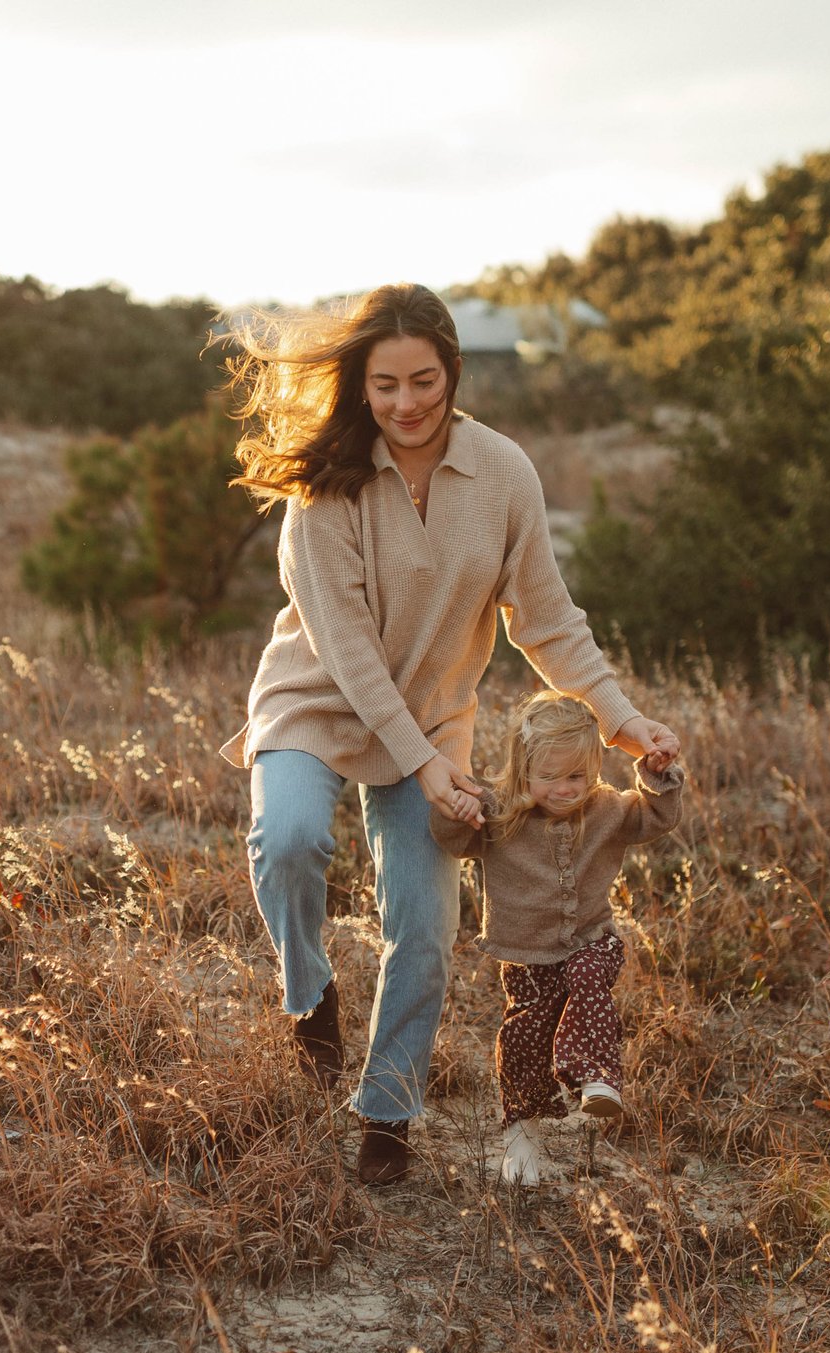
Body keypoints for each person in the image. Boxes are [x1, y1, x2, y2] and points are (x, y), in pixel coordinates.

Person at [220, 283, 680, 1185]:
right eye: (384, 385)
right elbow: (349, 655)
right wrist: (426, 767)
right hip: (315, 704)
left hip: (432, 720)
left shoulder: (503, 472)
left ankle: (387, 1113)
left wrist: (623, 722)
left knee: (427, 924)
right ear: (361, 388)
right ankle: (309, 993)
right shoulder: (324, 491)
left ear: (453, 371)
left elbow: (544, 617)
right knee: (291, 839)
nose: (406, 403)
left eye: (423, 380)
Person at [430, 692, 685, 1185]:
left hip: (592, 937)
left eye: (577, 776)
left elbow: (657, 816)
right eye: (551, 777)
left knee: (590, 974)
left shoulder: (607, 808)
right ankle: (520, 1135)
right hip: (526, 954)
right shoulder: (499, 811)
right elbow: (456, 840)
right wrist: (454, 807)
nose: (567, 790)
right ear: (523, 771)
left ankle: (594, 1075)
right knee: (526, 1035)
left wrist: (654, 775)